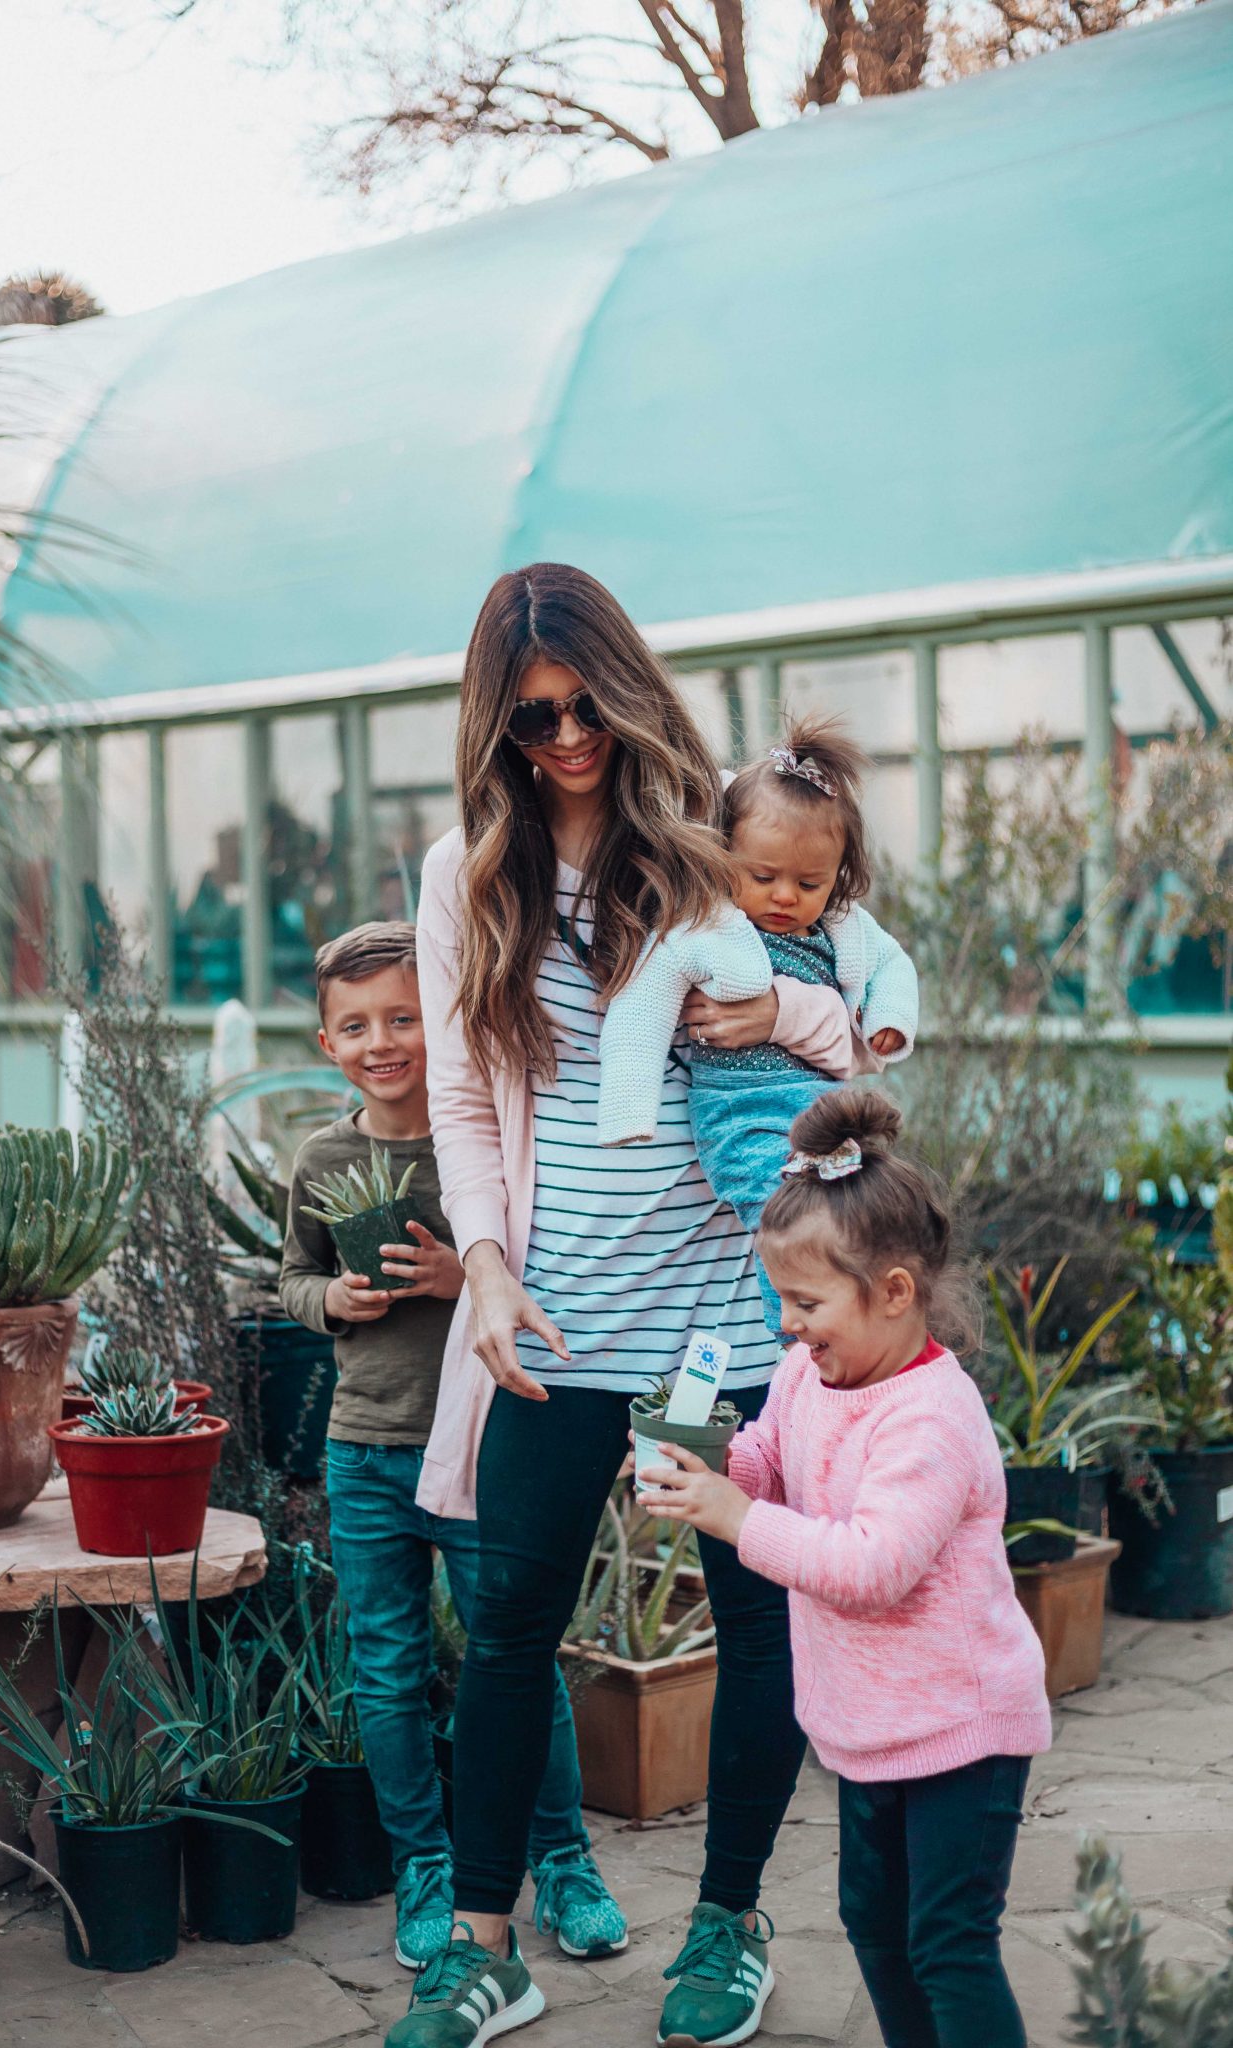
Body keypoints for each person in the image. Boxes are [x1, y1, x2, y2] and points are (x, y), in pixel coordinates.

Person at [388, 563, 883, 2048]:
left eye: (581, 704)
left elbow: (852, 1022)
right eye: (528, 719)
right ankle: (487, 1948)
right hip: (559, 1335)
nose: (562, 739)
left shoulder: (714, 846)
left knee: (748, 1610)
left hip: (711, 1333)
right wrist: (482, 1264)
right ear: (495, 726)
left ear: (622, 686)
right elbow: (464, 1108)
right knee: (512, 1624)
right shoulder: (459, 875)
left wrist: (783, 1011)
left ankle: (729, 1923)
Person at [641, 1089, 1051, 2048]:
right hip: (865, 1720)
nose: (785, 1324)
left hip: (961, 1725)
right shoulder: (807, 1375)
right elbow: (769, 1463)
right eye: (777, 1298)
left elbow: (874, 1567)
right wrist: (708, 1459)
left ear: (896, 1292)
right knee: (875, 1924)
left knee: (947, 1941)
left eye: (807, 1302)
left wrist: (738, 1519)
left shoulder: (931, 1418)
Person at [279, 920, 626, 1975]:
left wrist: (459, 1278)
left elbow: (531, 1265)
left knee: (511, 1654)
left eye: (402, 1015)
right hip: (367, 1449)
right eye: (356, 1024)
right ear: (327, 1041)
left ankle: (561, 1856)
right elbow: (290, 1275)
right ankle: (424, 1863)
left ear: (440, 1018)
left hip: (484, 1439)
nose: (382, 1039)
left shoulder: (483, 1143)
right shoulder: (322, 1157)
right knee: (384, 1669)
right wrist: (329, 1298)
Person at [597, 717, 918, 1340]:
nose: (784, 897)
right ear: (724, 857)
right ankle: (798, 1343)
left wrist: (889, 1020)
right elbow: (641, 1009)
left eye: (809, 883)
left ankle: (862, 1340)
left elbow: (891, 963)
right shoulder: (704, 928)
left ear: (838, 875)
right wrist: (629, 1108)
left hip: (824, 1111)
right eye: (763, 877)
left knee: (857, 1221)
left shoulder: (843, 927)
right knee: (790, 1225)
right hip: (741, 1114)